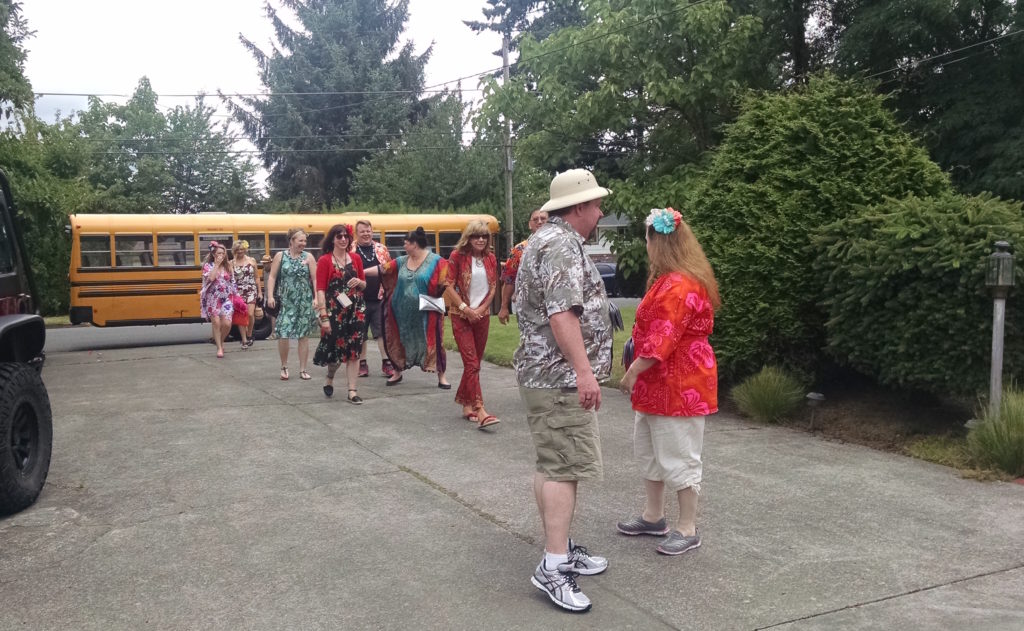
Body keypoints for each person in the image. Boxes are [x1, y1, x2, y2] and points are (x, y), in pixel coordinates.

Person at [514, 169, 613, 613]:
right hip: (558, 378)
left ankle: (561, 546)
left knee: (552, 463)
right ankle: (554, 566)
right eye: (595, 204)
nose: (600, 211)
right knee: (562, 468)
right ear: (577, 208)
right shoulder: (558, 244)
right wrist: (584, 372)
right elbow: (561, 315)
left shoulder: (548, 239)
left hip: (546, 376)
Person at [617, 208, 720, 556]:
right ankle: (653, 516)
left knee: (679, 454)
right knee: (649, 451)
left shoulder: (679, 285)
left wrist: (632, 372)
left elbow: (663, 337)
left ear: (658, 241)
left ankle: (687, 527)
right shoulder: (670, 279)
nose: (645, 245)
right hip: (659, 381)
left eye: (647, 238)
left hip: (680, 384)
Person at [443, 219, 500, 429]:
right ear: (469, 238)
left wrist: (481, 310)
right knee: (472, 363)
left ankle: (465, 403)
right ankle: (480, 409)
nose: (481, 239)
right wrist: (466, 309)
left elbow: (493, 287)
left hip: (482, 317)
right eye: (477, 236)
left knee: (474, 363)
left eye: (484, 236)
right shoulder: (458, 256)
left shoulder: (491, 259)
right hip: (461, 316)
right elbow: (448, 284)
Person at [380, 226, 451, 388]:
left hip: (428, 313)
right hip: (401, 313)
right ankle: (397, 372)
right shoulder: (402, 261)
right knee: (399, 339)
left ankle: (442, 376)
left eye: (406, 243)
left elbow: (446, 281)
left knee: (434, 341)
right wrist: (359, 272)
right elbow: (383, 269)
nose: (404, 246)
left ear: (415, 244)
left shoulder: (437, 261)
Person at [313, 224, 368, 404]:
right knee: (335, 351)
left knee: (354, 350)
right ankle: (330, 376)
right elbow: (320, 290)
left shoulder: (356, 258)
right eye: (339, 236)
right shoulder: (325, 260)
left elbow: (364, 285)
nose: (343, 239)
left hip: (356, 310)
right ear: (332, 239)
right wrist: (324, 317)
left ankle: (352, 391)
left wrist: (359, 281)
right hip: (335, 311)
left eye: (346, 236)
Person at [265, 227, 319, 381]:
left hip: (304, 301)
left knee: (303, 336)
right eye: (300, 240)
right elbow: (272, 277)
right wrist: (270, 296)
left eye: (305, 241)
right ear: (292, 241)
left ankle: (303, 369)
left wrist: (316, 298)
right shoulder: (280, 256)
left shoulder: (309, 257)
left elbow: (315, 279)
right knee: (283, 332)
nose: (304, 243)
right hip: (287, 301)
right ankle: (284, 366)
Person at [353, 220, 395, 378]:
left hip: (379, 297)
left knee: (381, 332)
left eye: (368, 231)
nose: (366, 234)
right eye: (362, 231)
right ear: (357, 233)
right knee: (360, 332)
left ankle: (387, 362)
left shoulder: (381, 249)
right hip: (358, 299)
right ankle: (362, 364)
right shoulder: (351, 249)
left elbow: (389, 268)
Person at [497, 209, 548, 325]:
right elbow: (509, 279)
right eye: (535, 219)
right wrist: (504, 306)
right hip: (528, 310)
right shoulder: (520, 250)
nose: (539, 222)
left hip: (554, 308)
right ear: (530, 225)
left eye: (543, 219)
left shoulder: (559, 247)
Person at [200, 241, 237, 358]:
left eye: (223, 253)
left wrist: (237, 296)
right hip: (213, 297)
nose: (221, 255)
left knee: (227, 323)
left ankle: (220, 341)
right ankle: (219, 348)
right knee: (216, 322)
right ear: (214, 254)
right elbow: (210, 278)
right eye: (218, 253)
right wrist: (216, 265)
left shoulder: (228, 266)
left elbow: (233, 282)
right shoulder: (208, 266)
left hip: (226, 297)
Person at [231, 240, 262, 349]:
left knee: (250, 314)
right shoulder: (232, 263)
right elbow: (231, 279)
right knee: (241, 315)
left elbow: (257, 277)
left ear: (245, 249)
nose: (240, 251)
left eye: (242, 249)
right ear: (234, 251)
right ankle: (244, 340)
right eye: (238, 250)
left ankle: (249, 334)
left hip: (251, 289)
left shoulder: (251, 260)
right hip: (238, 291)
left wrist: (260, 291)